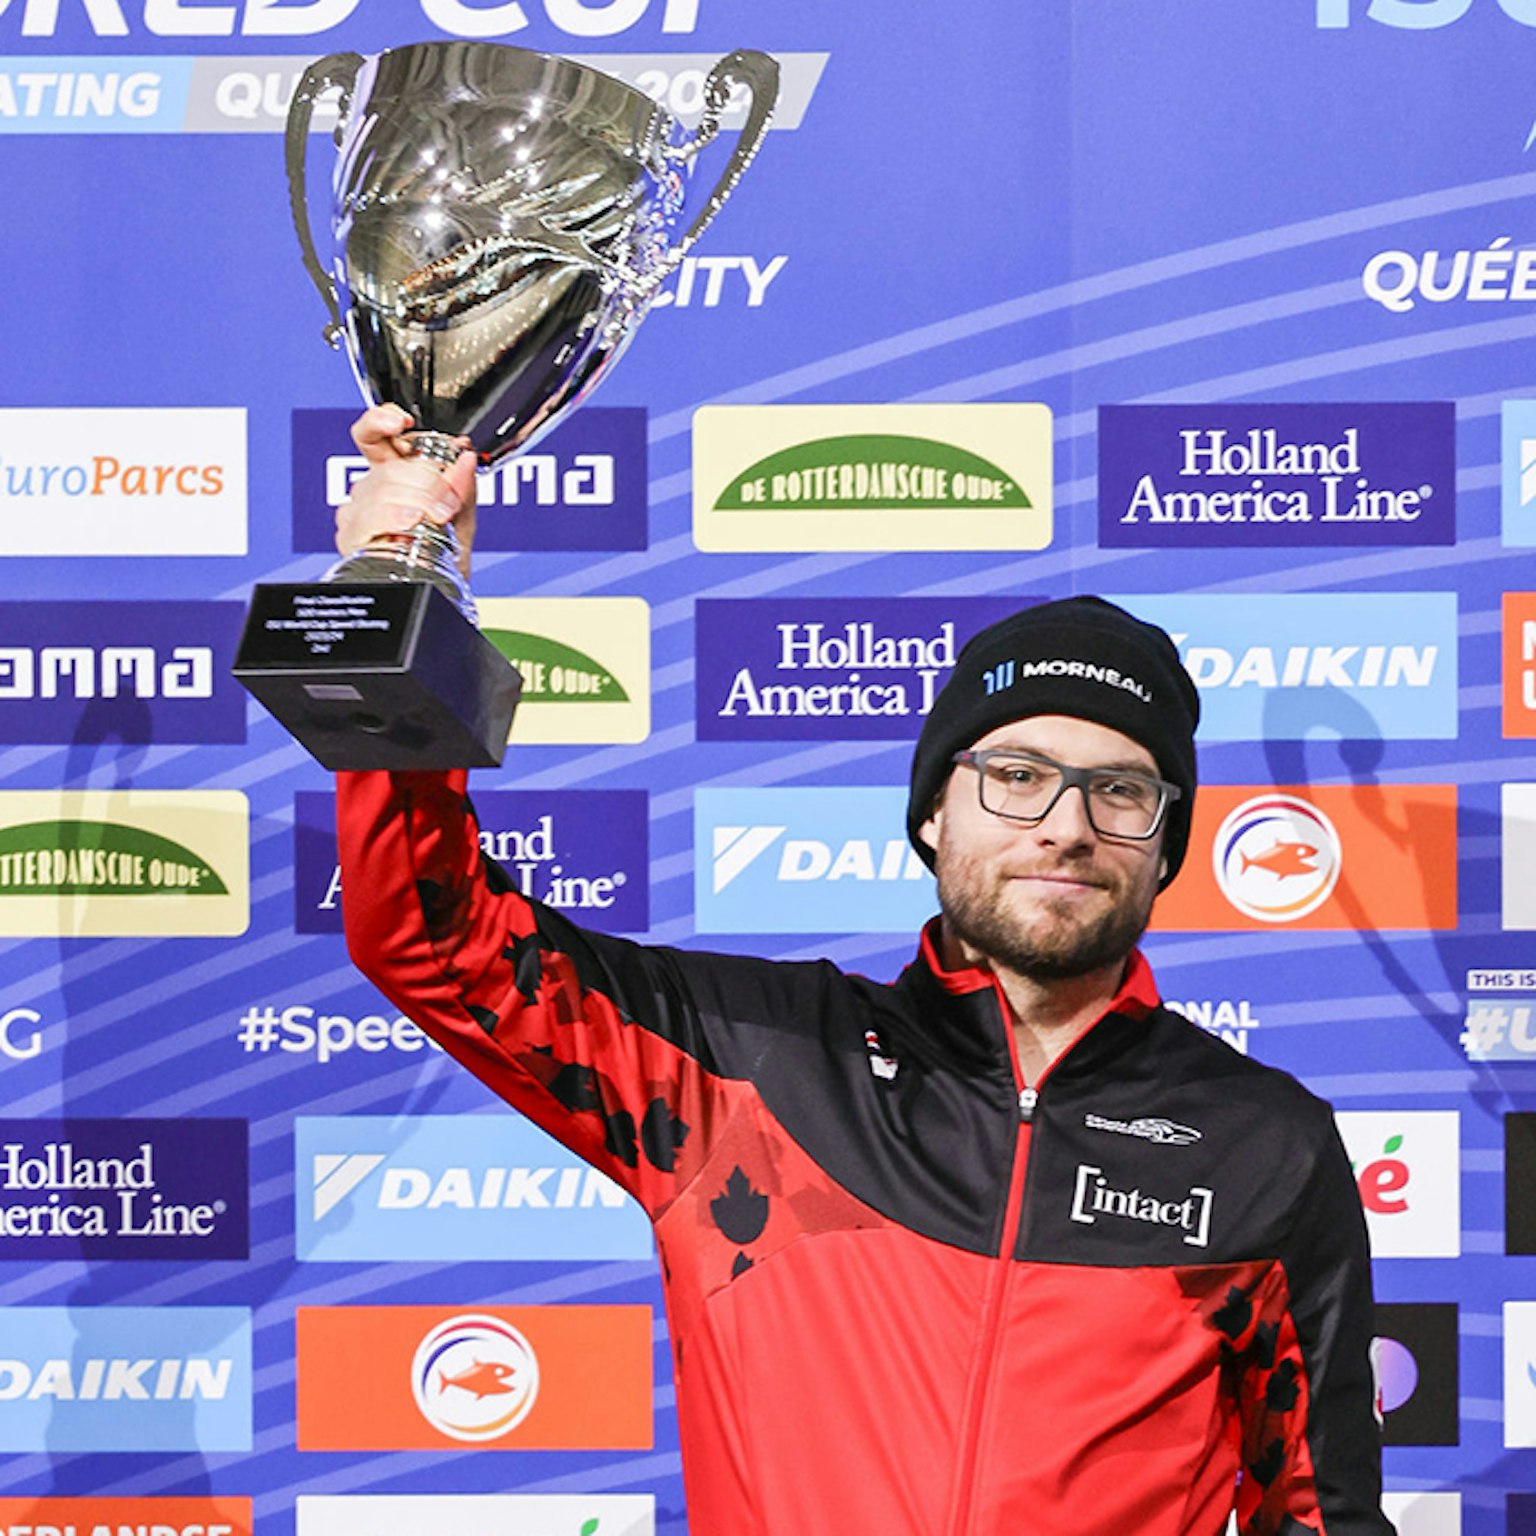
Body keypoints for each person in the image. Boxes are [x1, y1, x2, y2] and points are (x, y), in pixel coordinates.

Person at [332, 405, 1393, 1536]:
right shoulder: (750, 1064)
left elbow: (1317, 1514)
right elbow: (436, 941)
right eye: (1017, 775)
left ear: (1166, 844)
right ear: (935, 813)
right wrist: (403, 583)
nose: (1067, 826)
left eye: (1121, 791)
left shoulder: (1264, 1141)